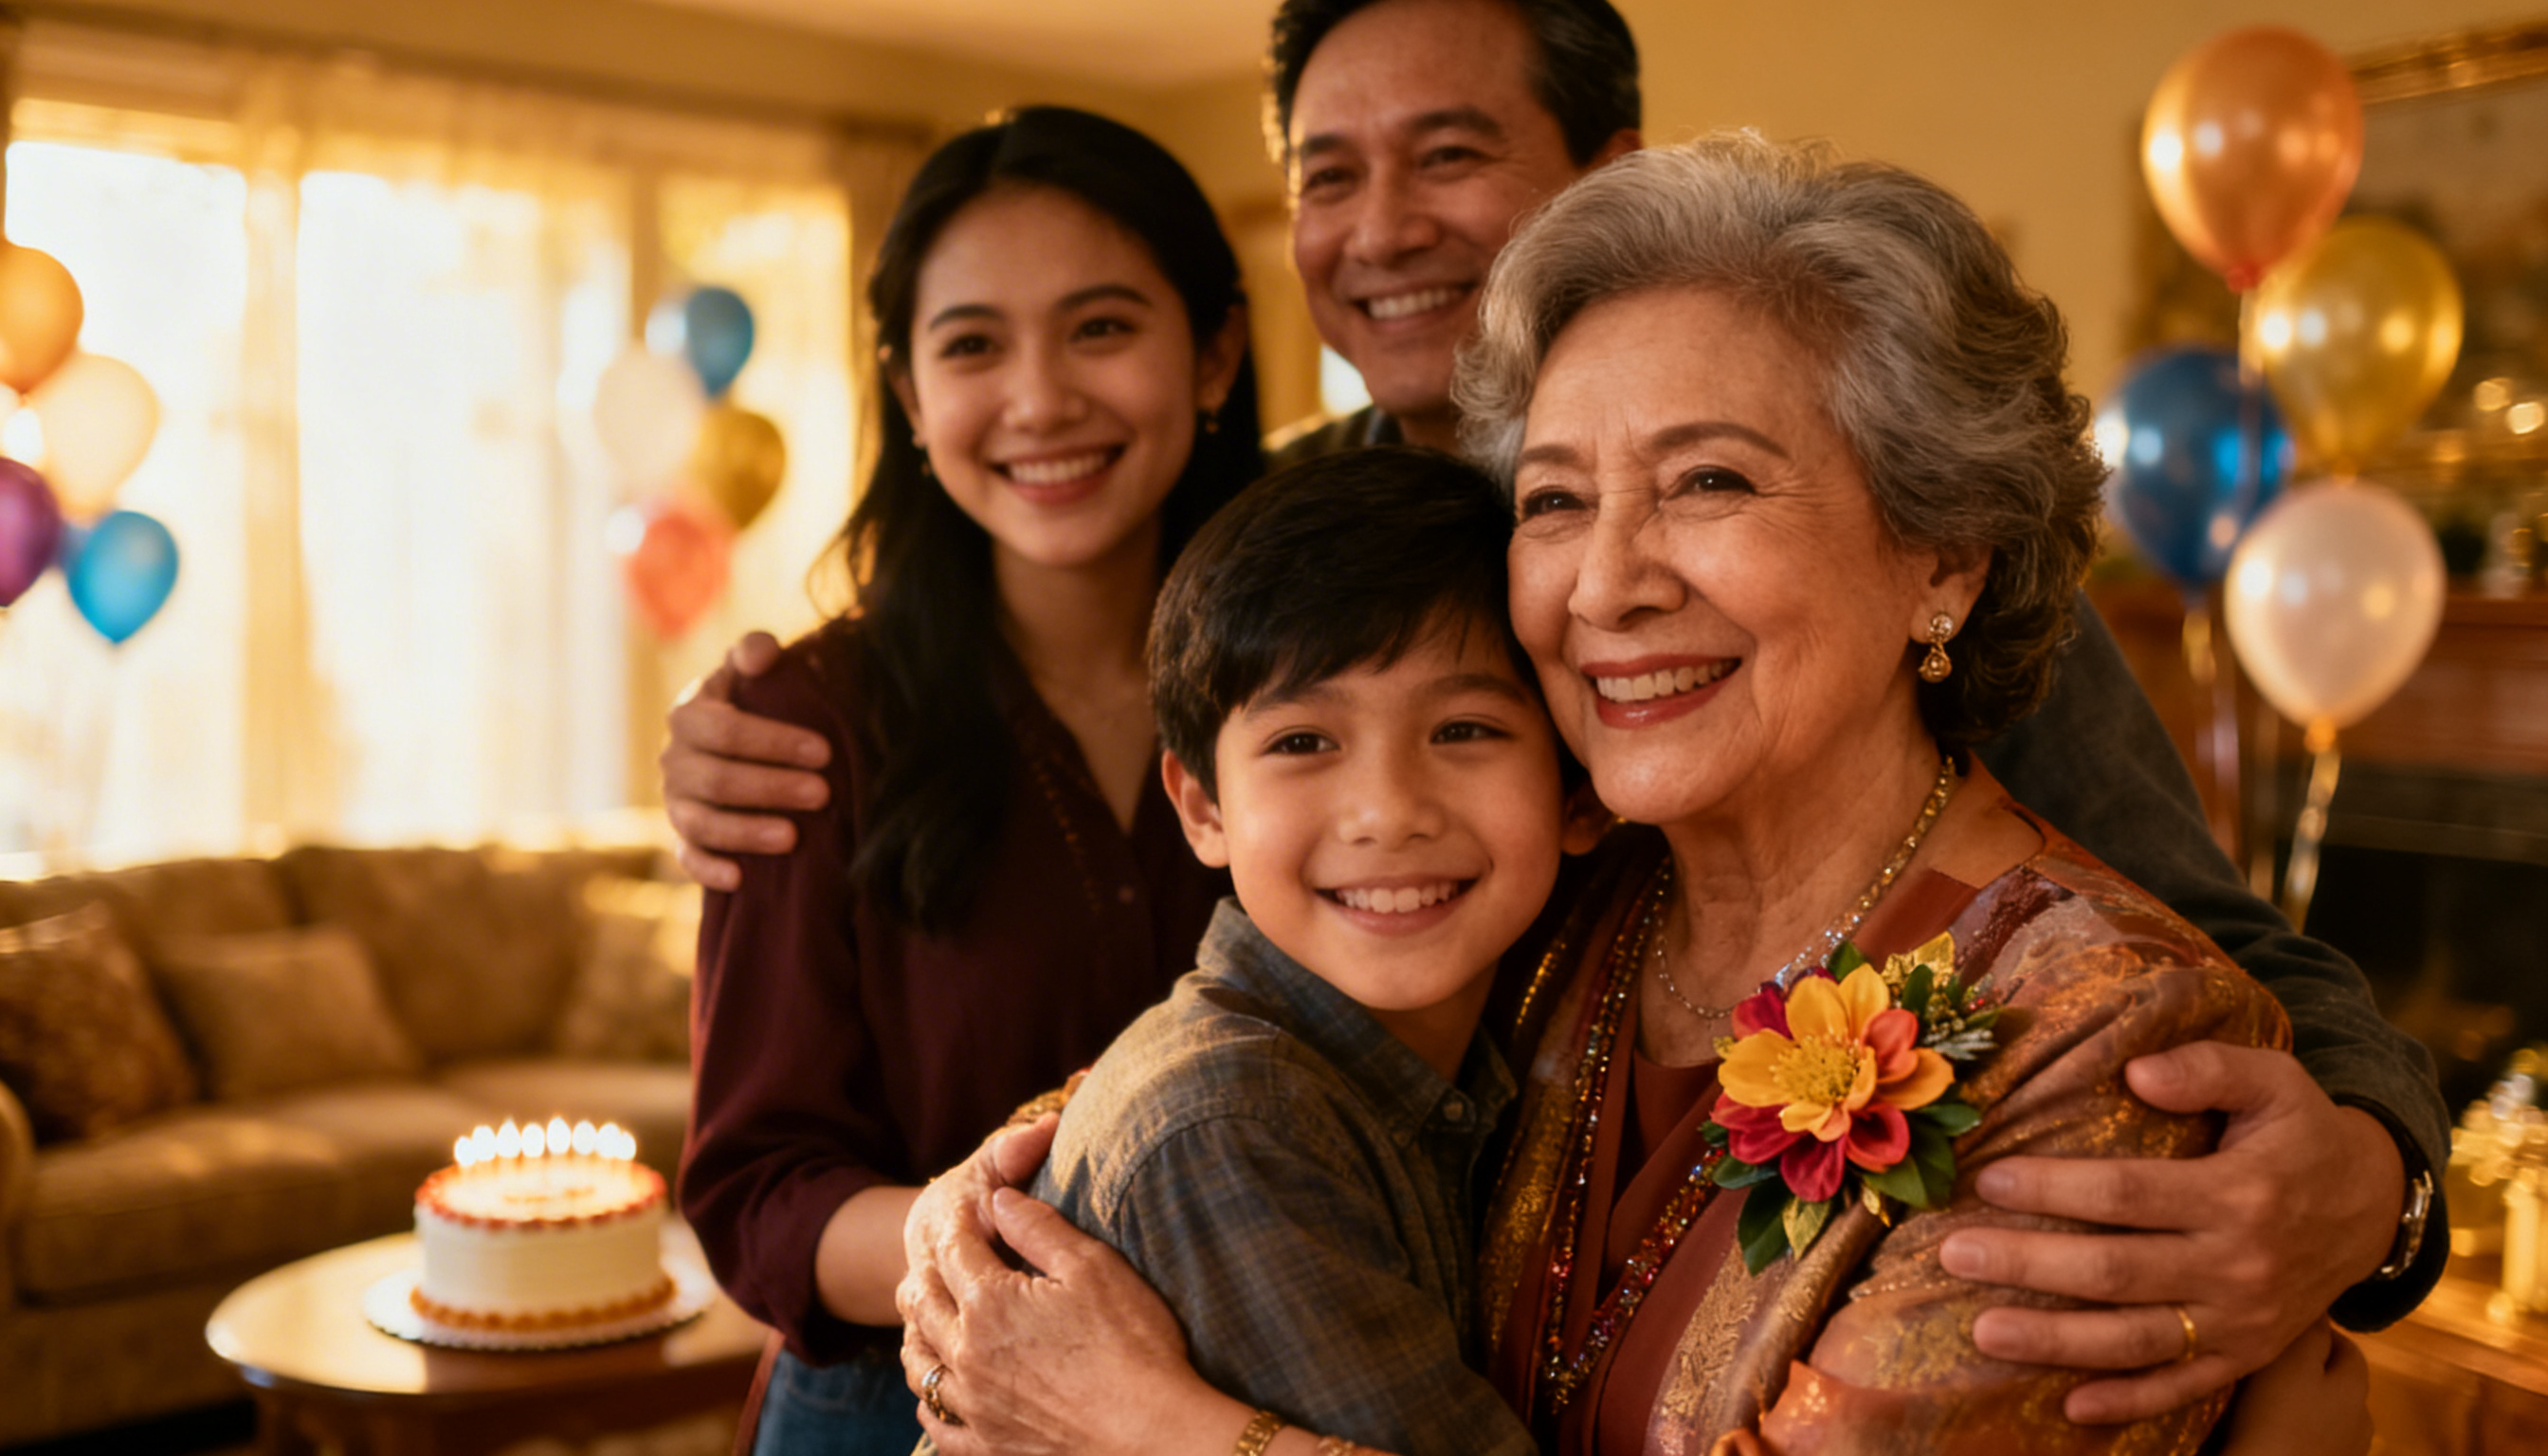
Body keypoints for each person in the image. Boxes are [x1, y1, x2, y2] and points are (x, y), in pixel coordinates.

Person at [673, 0, 2447, 1412]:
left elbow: (2205, 960)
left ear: (1604, 170)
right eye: (1327, 173)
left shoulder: (1932, 650)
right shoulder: (1285, 549)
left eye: (1449, 153)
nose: (1382, 227)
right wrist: (1009, 1213)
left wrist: (2367, 1194)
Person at [675, 104, 1261, 1455]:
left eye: (1100, 327)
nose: (1039, 400)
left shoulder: (1330, 683)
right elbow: (759, 1196)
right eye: (973, 346)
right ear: (909, 397)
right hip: (901, 1407)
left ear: (1215, 351)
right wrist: (1030, 1256)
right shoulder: (807, 723)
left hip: (1260, 1395)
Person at [1000, 447, 1557, 1456]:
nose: (1388, 812)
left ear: (1578, 784)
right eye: (1303, 742)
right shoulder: (1233, 1127)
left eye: (1464, 728)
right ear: (1202, 807)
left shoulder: (1469, 1051)